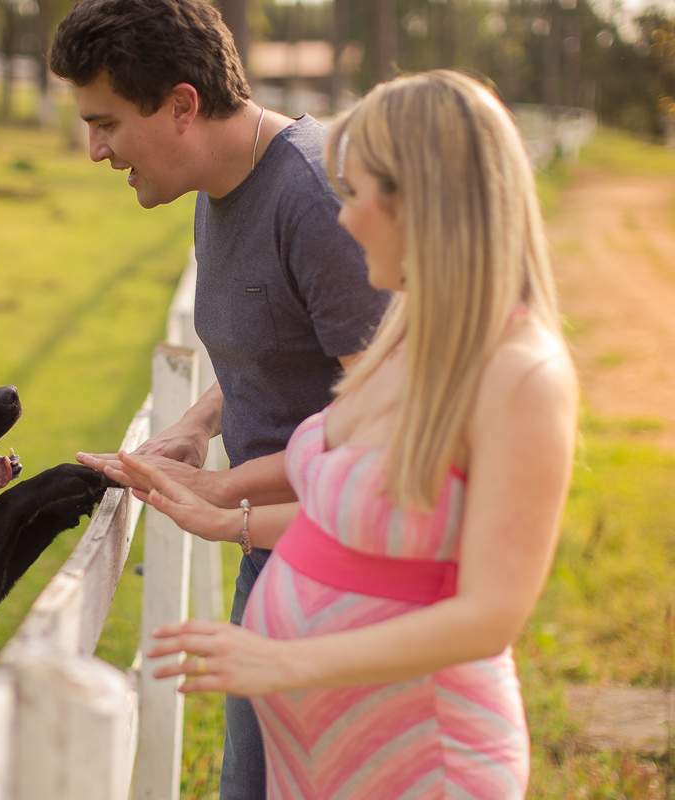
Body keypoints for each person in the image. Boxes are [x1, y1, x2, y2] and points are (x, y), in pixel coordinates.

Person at [99, 70, 580, 799]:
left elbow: (489, 617)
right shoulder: (412, 335)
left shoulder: (525, 376)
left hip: (423, 757)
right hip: (322, 758)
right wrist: (222, 497)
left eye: (357, 195)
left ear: (426, 199)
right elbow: (363, 486)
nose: (344, 221)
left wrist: (286, 663)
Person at [48, 3, 389, 796]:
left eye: (105, 123)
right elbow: (269, 344)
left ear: (181, 106)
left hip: (347, 577)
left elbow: (387, 421)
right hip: (274, 557)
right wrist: (200, 425)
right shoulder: (217, 183)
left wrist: (227, 500)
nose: (94, 149)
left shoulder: (313, 198)